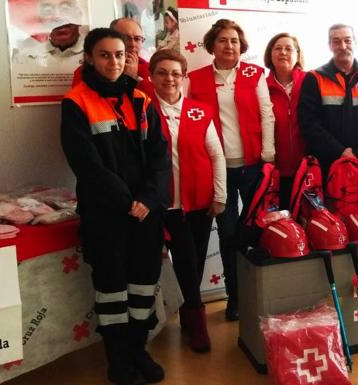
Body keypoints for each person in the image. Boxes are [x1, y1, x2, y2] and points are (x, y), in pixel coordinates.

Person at [60, 27, 170, 385]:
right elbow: (87, 165)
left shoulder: (142, 99)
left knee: (142, 284)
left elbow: (160, 158)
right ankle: (118, 359)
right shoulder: (76, 102)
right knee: (111, 288)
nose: (114, 61)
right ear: (89, 58)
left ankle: (138, 349)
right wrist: (127, 202)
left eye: (120, 54)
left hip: (145, 213)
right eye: (105, 54)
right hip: (106, 215)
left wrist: (147, 200)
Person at [187, 19, 275, 321]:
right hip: (218, 169)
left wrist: (268, 154)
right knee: (227, 235)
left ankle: (258, 294)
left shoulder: (255, 74)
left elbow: (267, 114)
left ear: (242, 45)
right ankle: (234, 296)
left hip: (251, 166)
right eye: (223, 40)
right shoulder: (194, 79)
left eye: (234, 41)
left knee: (253, 232)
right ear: (212, 44)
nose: (229, 46)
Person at [149, 49, 226, 352]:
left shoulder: (199, 110)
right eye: (163, 72)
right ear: (152, 76)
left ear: (184, 78)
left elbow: (216, 154)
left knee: (193, 262)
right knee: (186, 261)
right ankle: (197, 324)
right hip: (164, 204)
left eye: (175, 73)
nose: (170, 79)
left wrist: (219, 196)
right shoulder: (144, 111)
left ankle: (189, 318)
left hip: (201, 203)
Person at [298, 23, 358, 173]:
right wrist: (339, 151)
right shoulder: (314, 78)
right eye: (336, 41)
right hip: (324, 166)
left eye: (347, 40)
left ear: (355, 42)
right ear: (329, 45)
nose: (342, 46)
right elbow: (308, 123)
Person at [263, 32, 306, 207]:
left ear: (297, 55)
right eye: (278, 48)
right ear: (270, 55)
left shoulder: (310, 81)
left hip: (308, 166)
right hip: (276, 168)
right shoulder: (261, 87)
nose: (283, 52)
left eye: (289, 49)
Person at [72, 18, 153, 95]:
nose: (132, 44)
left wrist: (134, 78)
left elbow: (153, 104)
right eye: (125, 38)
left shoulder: (151, 69)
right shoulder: (85, 72)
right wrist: (127, 79)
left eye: (137, 39)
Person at [13, 0, 88, 66]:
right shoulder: (25, 55)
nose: (57, 16)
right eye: (47, 10)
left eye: (66, 8)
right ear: (40, 19)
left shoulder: (93, 50)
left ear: (79, 15)